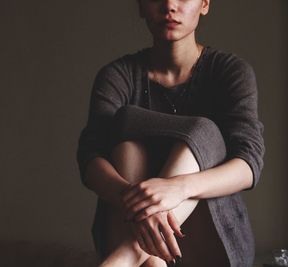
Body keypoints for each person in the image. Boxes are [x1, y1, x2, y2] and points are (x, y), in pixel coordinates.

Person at [76, 0, 265, 266]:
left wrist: (179, 187)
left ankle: (127, 257)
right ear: (141, 5)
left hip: (211, 240)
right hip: (130, 223)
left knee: (204, 132)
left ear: (204, 4)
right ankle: (150, 260)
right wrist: (137, 200)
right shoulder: (118, 76)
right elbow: (89, 157)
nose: (169, 5)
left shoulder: (230, 72)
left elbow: (249, 165)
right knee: (126, 140)